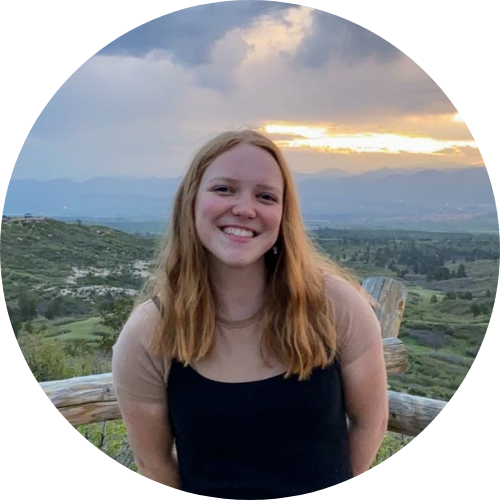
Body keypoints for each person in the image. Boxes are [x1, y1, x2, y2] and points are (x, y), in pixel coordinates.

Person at [112, 129, 388, 498]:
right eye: (224, 189)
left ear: (283, 214)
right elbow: (154, 465)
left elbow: (371, 421)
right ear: (191, 201)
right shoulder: (150, 333)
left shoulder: (336, 306)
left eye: (266, 196)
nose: (245, 208)